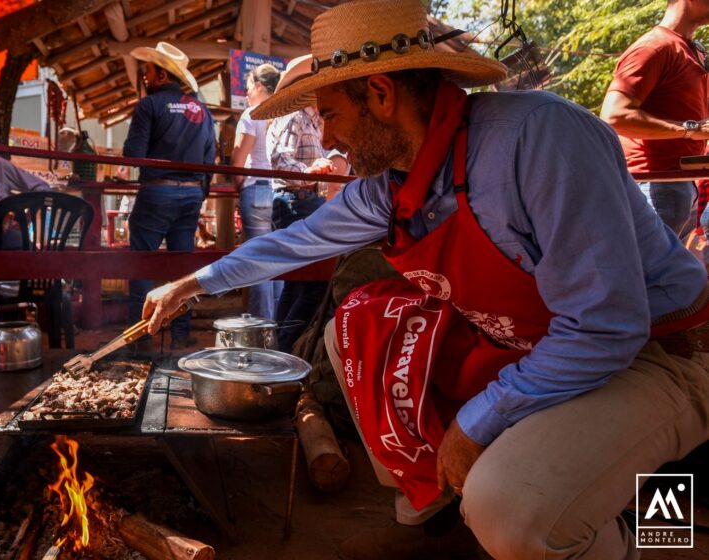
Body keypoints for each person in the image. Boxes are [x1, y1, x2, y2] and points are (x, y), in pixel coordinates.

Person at [141, 1, 709, 558]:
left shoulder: (538, 138)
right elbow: (291, 243)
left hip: (656, 352)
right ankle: (453, 509)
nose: (330, 141)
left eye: (331, 116)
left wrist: (477, 421)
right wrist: (191, 284)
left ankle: (625, 537)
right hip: (539, 344)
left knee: (509, 510)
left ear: (382, 95)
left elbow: (607, 327)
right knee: (357, 328)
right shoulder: (389, 185)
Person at [123, 41, 216, 350]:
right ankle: (180, 335)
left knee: (141, 264)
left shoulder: (148, 106)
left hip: (156, 193)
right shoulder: (202, 111)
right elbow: (209, 160)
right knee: (182, 267)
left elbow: (133, 155)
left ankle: (139, 341)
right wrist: (199, 195)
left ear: (162, 75)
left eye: (148, 72)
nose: (145, 77)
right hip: (190, 195)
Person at [600, 0, 709, 238]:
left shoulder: (691, 50)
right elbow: (614, 116)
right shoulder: (654, 47)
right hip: (656, 184)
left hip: (681, 185)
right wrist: (691, 129)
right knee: (651, 273)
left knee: (667, 273)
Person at [267, 55, 336, 353]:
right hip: (296, 201)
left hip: (304, 201)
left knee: (297, 283)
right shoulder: (294, 116)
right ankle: (286, 351)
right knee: (313, 284)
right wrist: (310, 173)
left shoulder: (313, 118)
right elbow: (279, 159)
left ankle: (280, 350)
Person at [231, 63, 283, 320]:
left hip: (257, 189)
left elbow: (238, 160)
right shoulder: (285, 113)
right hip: (280, 191)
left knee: (258, 263)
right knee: (278, 261)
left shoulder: (252, 114)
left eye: (249, 87)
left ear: (260, 86)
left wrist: (239, 185)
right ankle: (279, 327)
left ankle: (261, 329)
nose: (247, 93)